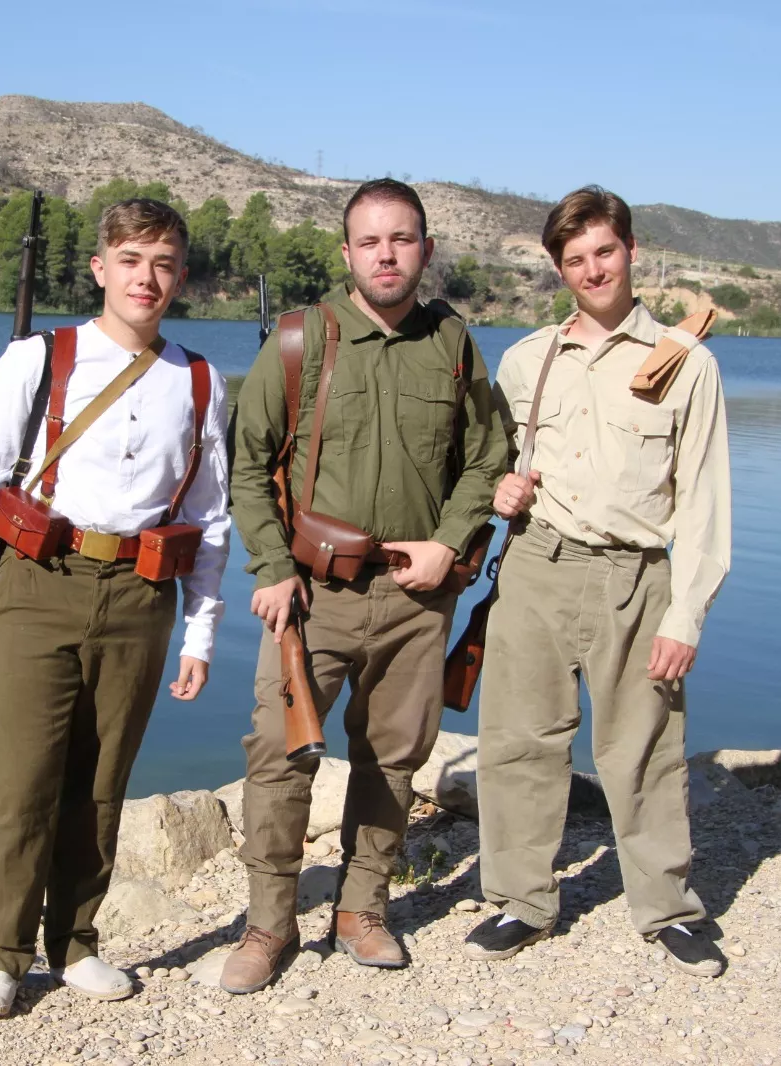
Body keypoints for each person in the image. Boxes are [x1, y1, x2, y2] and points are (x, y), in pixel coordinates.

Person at [0, 198, 231, 1016]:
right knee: (22, 777)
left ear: (181, 276)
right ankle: (2, 953)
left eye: (165, 263)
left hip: (143, 595)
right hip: (38, 583)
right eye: (132, 260)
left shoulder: (201, 381)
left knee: (102, 783)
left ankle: (76, 944)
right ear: (101, 268)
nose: (149, 278)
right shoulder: (41, 359)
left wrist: (200, 635)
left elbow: (209, 520)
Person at [222, 178, 507, 994]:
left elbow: (488, 457)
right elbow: (248, 466)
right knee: (278, 761)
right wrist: (272, 567)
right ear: (347, 253)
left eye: (403, 239)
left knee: (392, 758)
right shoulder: (299, 341)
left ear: (424, 249)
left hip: (418, 598)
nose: (387, 254)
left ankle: (363, 910)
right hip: (310, 598)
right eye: (371, 241)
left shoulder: (453, 343)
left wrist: (450, 546)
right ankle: (269, 925)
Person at [466, 185, 732, 976]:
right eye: (575, 259)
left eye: (604, 252)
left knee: (643, 748)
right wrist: (501, 490)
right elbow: (495, 464)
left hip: (638, 578)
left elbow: (707, 499)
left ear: (631, 252)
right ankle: (522, 900)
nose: (593, 270)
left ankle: (668, 910)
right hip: (539, 568)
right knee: (518, 742)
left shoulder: (687, 363)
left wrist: (686, 614)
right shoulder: (527, 359)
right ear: (559, 268)